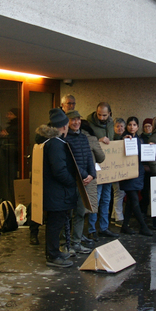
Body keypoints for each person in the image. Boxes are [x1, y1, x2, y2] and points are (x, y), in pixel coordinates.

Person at [42, 108, 77, 268]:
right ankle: (53, 255)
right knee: (55, 224)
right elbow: (59, 170)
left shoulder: (51, 142)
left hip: (56, 192)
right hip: (57, 193)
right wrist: (73, 181)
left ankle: (54, 252)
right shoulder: (56, 144)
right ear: (63, 127)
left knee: (56, 223)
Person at [62, 97, 96, 254]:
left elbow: (89, 157)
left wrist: (92, 174)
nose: (76, 122)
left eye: (77, 119)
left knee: (81, 212)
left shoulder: (83, 137)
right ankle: (66, 242)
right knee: (68, 213)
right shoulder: (65, 139)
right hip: (72, 181)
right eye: (72, 120)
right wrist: (84, 175)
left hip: (84, 181)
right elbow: (71, 161)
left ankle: (76, 241)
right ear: (67, 122)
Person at [85, 102, 116, 237]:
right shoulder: (88, 124)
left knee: (106, 199)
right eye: (99, 115)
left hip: (109, 167)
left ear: (109, 114)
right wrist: (98, 140)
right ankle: (92, 229)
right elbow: (86, 141)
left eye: (104, 115)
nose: (101, 118)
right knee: (95, 198)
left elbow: (114, 140)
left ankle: (104, 227)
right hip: (96, 166)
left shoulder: (111, 124)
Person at [119, 117, 153, 236]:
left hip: (138, 173)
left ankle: (125, 226)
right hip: (128, 173)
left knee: (130, 202)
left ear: (138, 127)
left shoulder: (140, 139)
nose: (132, 127)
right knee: (134, 200)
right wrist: (123, 141)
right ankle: (143, 226)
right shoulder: (123, 138)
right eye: (129, 124)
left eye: (134, 125)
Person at [111, 117, 127, 227]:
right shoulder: (112, 139)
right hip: (114, 170)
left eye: (121, 126)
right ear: (113, 127)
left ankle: (113, 216)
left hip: (122, 169)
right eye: (117, 126)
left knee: (118, 193)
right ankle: (119, 217)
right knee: (119, 193)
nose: (120, 128)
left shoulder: (125, 138)